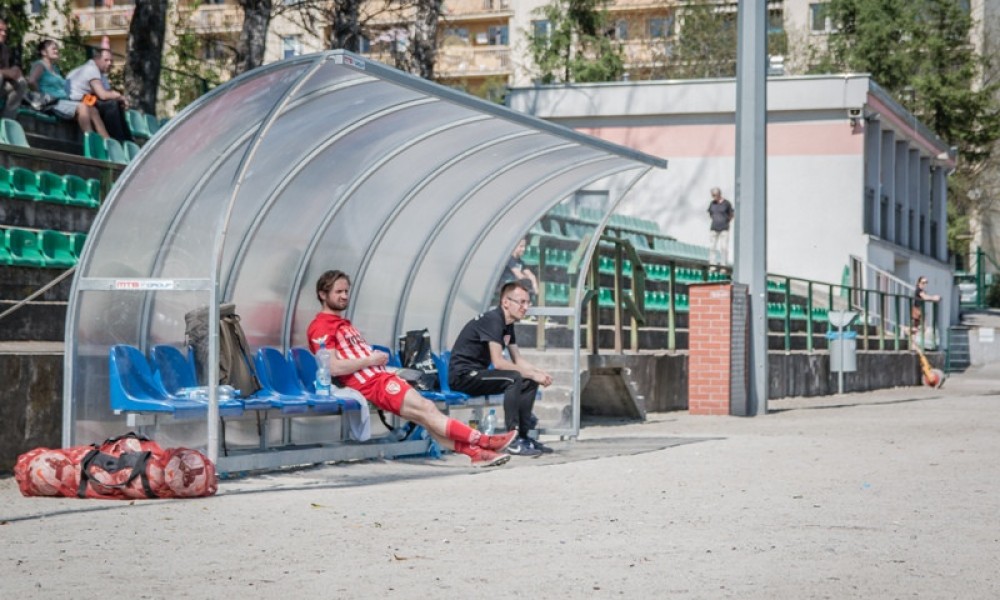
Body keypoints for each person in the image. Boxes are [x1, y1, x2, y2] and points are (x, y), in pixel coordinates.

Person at [307, 269, 517, 467]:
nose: (344, 296)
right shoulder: (321, 326)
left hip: (380, 378)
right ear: (322, 294)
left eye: (346, 291)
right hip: (373, 384)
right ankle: (486, 441)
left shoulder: (343, 323)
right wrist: (371, 360)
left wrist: (382, 364)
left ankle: (476, 454)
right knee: (427, 409)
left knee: (426, 417)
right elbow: (332, 366)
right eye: (338, 292)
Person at [449, 280, 554, 457]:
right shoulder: (493, 320)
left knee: (528, 381)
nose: (526, 307)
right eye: (521, 302)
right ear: (506, 302)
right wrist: (531, 374)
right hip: (463, 376)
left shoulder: (507, 324)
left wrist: (537, 373)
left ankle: (522, 437)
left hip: (479, 375)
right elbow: (498, 362)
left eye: (528, 302)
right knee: (514, 378)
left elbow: (517, 359)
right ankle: (511, 439)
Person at [27, 40, 109, 138]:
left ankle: (106, 142)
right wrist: (41, 97)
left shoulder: (55, 69)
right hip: (51, 103)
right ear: (44, 52)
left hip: (62, 101)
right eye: (53, 48)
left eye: (57, 48)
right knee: (82, 107)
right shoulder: (40, 65)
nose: (57, 51)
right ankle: (90, 139)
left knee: (92, 109)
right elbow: (32, 81)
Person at [65, 48, 131, 142]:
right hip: (76, 101)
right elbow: (103, 95)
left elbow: (108, 93)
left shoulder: (101, 74)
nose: (109, 63)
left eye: (111, 61)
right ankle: (117, 140)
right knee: (111, 105)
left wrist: (119, 98)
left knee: (116, 104)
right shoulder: (91, 69)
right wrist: (121, 97)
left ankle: (127, 140)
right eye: (106, 60)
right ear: (97, 59)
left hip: (87, 99)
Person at [0, 19, 27, 119]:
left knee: (21, 82)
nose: (3, 34)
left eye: (5, 31)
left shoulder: (5, 49)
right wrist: (7, 72)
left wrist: (15, 71)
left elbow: (10, 72)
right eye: (0, 30)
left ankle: (7, 120)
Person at [707, 187, 734, 267]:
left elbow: (731, 214)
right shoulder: (712, 203)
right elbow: (711, 214)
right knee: (712, 247)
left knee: (724, 247)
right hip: (714, 228)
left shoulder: (726, 203)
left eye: (714, 195)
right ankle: (712, 265)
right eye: (712, 195)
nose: (713, 197)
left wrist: (726, 221)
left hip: (724, 228)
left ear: (719, 194)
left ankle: (723, 265)